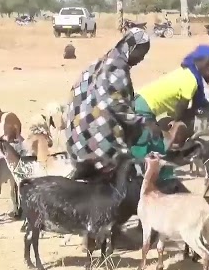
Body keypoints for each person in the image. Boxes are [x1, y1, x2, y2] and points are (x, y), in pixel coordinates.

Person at [65, 27, 159, 171]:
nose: (142, 58)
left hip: (74, 140)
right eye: (142, 53)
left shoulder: (98, 63)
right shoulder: (117, 69)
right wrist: (144, 123)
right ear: (132, 48)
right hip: (96, 143)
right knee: (130, 172)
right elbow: (117, 105)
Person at [132, 44, 209, 181]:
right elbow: (182, 105)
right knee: (152, 143)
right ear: (199, 62)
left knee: (146, 141)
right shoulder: (191, 80)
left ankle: (145, 174)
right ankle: (159, 177)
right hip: (145, 106)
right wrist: (176, 122)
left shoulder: (185, 72)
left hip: (142, 101)